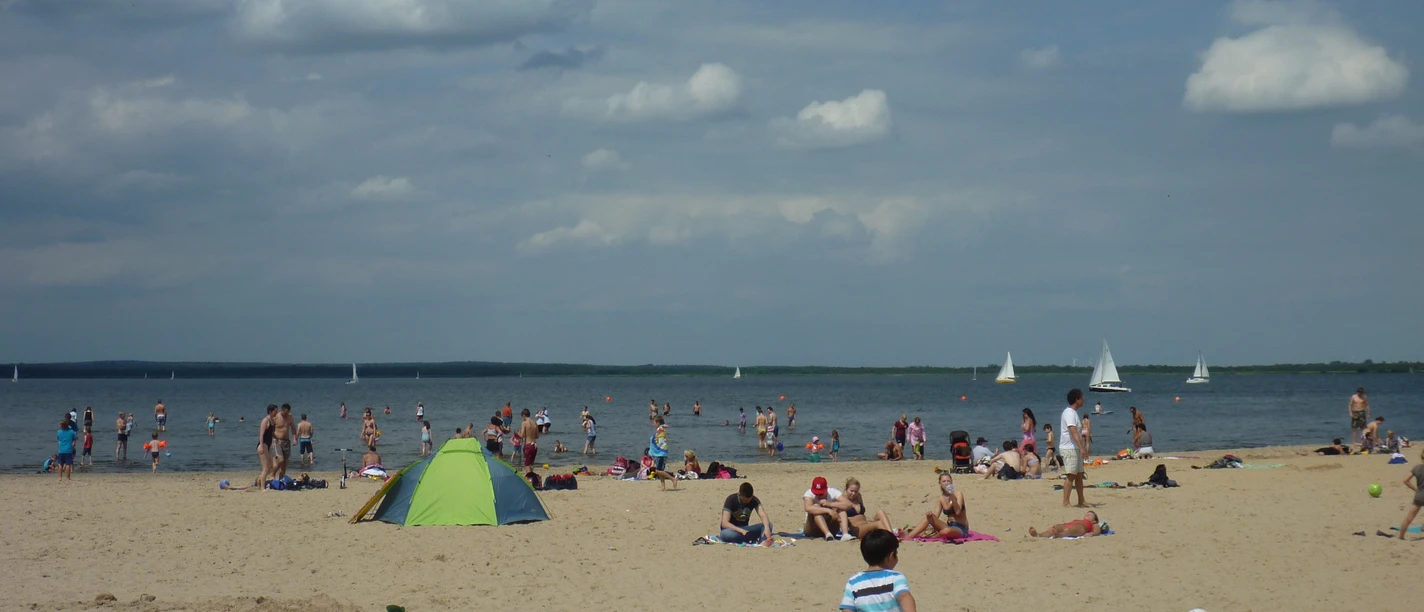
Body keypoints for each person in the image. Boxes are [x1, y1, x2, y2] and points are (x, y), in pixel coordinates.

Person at [839, 530, 917, 612]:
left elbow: (847, 609)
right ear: (891, 556)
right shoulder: (896, 577)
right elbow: (904, 597)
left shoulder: (853, 582)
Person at [904, 472, 968, 539]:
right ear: (940, 484)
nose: (946, 483)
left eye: (948, 481)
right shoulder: (941, 498)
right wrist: (930, 516)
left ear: (951, 482)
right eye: (944, 481)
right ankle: (909, 536)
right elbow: (936, 516)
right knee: (929, 517)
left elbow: (958, 512)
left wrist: (952, 496)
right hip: (949, 526)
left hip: (960, 528)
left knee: (946, 531)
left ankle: (933, 537)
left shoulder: (958, 494)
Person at [1060, 389, 1089, 507]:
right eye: (1082, 397)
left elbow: (1077, 432)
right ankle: (1066, 502)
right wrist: (1082, 448)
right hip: (1069, 448)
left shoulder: (1074, 413)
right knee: (1071, 474)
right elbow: (1073, 432)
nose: (1083, 400)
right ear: (1077, 399)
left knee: (1079, 474)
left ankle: (1081, 500)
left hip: (1074, 447)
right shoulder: (1069, 413)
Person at [803, 476, 847, 540]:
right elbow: (808, 508)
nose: (818, 496)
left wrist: (830, 504)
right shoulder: (808, 494)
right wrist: (829, 511)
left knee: (841, 509)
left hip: (831, 526)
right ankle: (827, 534)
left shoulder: (833, 492)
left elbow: (847, 504)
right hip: (812, 529)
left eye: (821, 494)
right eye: (816, 494)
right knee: (816, 507)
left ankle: (845, 534)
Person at [1398, 448, 1424, 539]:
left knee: (1409, 518)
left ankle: (1401, 536)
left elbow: (1405, 480)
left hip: (1419, 495)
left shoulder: (1417, 468)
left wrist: (1416, 489)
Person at [1029, 510, 1103, 538]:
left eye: (1090, 515)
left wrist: (1092, 534)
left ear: (1094, 521)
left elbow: (1097, 530)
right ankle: (1039, 535)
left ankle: (1059, 535)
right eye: (1087, 514)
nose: (1087, 515)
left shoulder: (1093, 524)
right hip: (1069, 524)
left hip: (1081, 528)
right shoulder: (1080, 520)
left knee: (1068, 530)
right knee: (1054, 528)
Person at [256, 404, 277, 488]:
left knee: (274, 466)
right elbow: (261, 434)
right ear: (270, 411)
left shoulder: (273, 421)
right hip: (263, 445)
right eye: (275, 411)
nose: (276, 412)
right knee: (266, 467)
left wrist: (277, 439)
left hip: (268, 445)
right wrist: (261, 446)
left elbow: (271, 434)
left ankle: (260, 479)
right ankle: (262, 488)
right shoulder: (265, 420)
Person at [274, 404, 297, 479]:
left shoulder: (290, 417)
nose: (285, 415)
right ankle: (272, 474)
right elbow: (271, 429)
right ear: (282, 410)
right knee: (281, 460)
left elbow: (293, 428)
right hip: (278, 441)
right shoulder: (277, 416)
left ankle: (281, 479)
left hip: (286, 441)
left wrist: (294, 438)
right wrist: (276, 439)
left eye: (287, 413)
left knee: (285, 463)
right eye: (284, 413)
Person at [519, 408, 540, 473]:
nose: (522, 418)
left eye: (522, 417)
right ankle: (532, 479)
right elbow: (537, 436)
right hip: (534, 445)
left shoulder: (524, 423)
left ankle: (529, 479)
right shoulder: (535, 423)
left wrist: (517, 433)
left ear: (524, 415)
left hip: (528, 445)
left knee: (527, 465)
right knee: (531, 464)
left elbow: (521, 435)